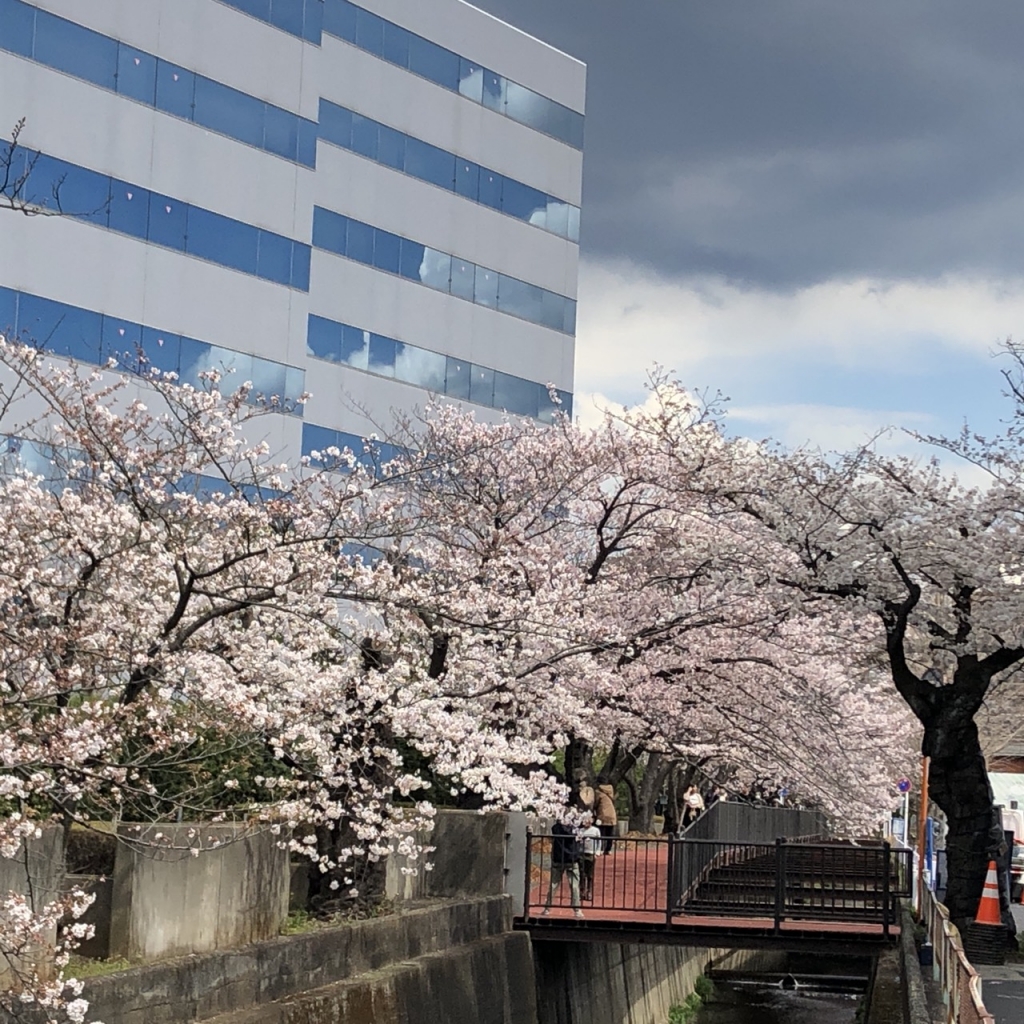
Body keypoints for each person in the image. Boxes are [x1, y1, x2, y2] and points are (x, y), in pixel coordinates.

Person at [541, 820, 584, 918]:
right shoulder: (574, 829)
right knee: (574, 886)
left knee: (553, 884)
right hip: (571, 859)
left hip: (558, 858)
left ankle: (547, 908)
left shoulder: (556, 828)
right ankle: (577, 909)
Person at [579, 815, 602, 901]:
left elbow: (599, 842)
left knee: (590, 874)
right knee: (582, 873)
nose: (586, 822)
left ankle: (589, 891)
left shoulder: (596, 830)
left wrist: (597, 852)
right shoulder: (580, 830)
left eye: (588, 820)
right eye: (584, 820)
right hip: (582, 853)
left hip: (591, 854)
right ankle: (582, 891)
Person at [595, 782, 617, 854]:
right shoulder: (610, 792)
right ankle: (608, 849)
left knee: (602, 832)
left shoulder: (599, 793)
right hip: (612, 814)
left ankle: (601, 848)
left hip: (603, 814)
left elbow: (596, 803)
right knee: (610, 833)